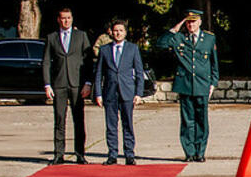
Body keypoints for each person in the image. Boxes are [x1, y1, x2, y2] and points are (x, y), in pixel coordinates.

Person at [157, 9, 219, 162]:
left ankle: (200, 152)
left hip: (202, 84)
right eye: (188, 21)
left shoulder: (209, 39)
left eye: (193, 21)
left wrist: (213, 83)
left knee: (201, 120)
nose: (191, 24)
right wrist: (176, 27)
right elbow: (161, 43)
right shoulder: (179, 38)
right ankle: (189, 152)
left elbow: (214, 63)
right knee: (187, 121)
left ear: (200, 22)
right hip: (185, 84)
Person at [42, 7, 92, 165]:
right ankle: (59, 154)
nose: (66, 21)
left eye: (69, 18)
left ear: (72, 19)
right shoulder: (51, 38)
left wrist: (88, 83)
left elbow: (88, 61)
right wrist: (47, 84)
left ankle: (80, 154)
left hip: (77, 85)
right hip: (59, 84)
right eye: (63, 18)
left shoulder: (81, 36)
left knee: (79, 120)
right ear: (58, 20)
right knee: (59, 119)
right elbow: (45, 63)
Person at [94, 19, 144, 165]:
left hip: (127, 92)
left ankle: (129, 154)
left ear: (125, 32)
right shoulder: (104, 50)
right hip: (109, 93)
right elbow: (98, 74)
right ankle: (112, 154)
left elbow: (139, 72)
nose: (118, 33)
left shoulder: (132, 49)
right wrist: (98, 94)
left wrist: (138, 93)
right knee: (111, 125)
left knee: (127, 124)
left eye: (121, 30)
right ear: (111, 32)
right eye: (116, 30)